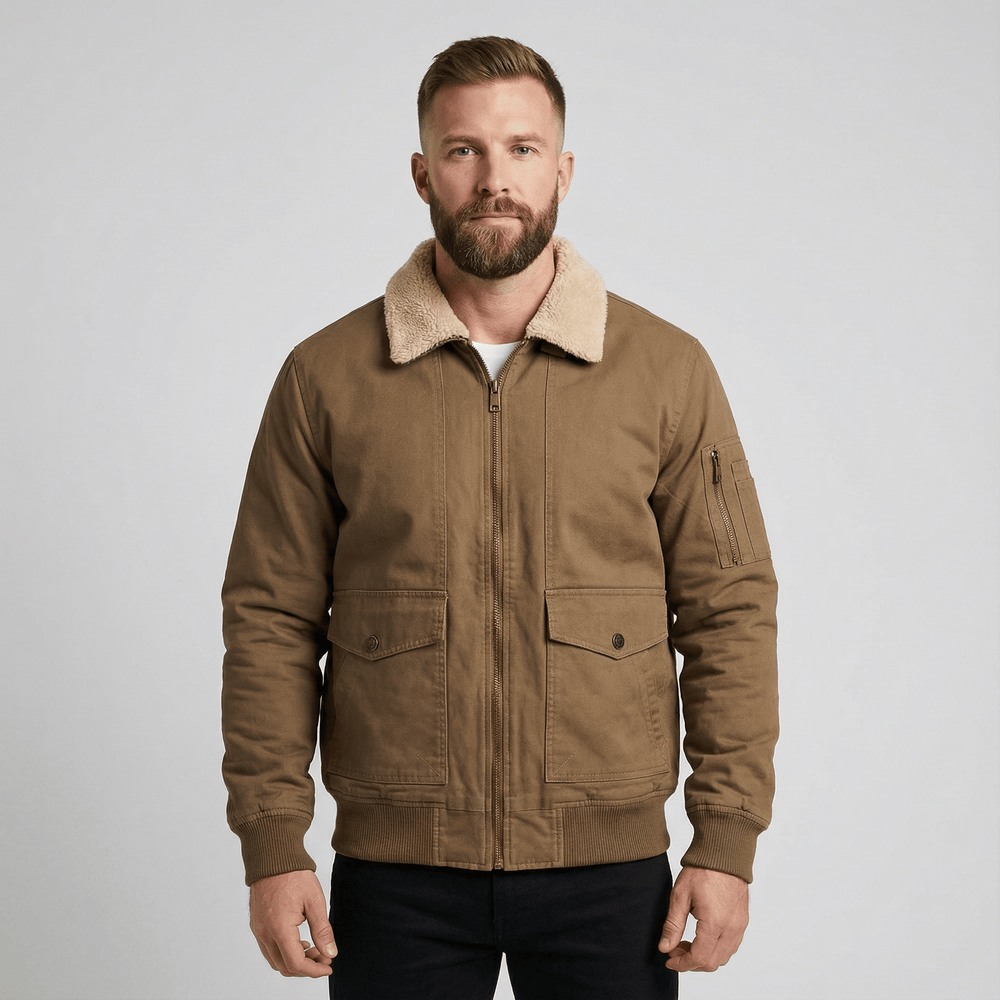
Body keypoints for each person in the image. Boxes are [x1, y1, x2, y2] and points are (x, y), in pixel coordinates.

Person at [221, 36, 778, 999]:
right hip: (397, 875)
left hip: (610, 874)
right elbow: (269, 617)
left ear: (563, 170)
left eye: (523, 148)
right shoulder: (325, 377)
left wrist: (725, 839)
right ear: (421, 174)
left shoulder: (667, 372)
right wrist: (274, 844)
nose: (494, 179)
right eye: (463, 150)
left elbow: (730, 609)